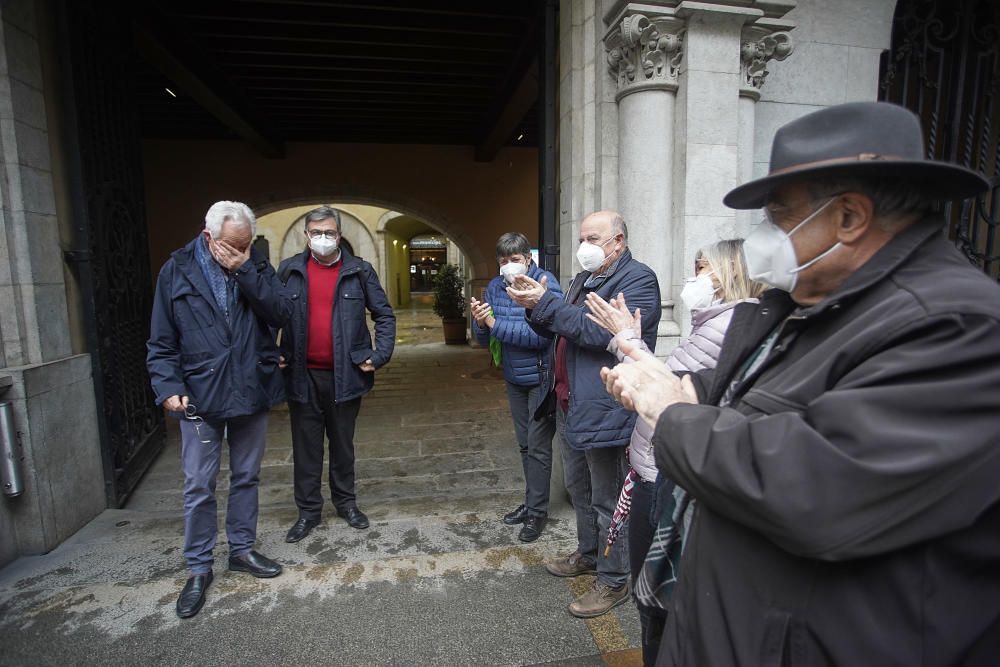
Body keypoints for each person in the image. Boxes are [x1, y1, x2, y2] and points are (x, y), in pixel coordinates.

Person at [601, 102, 1000, 665]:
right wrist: (683, 384)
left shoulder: (956, 326)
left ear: (849, 218)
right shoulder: (809, 302)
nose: (764, 237)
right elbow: (758, 393)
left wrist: (673, 413)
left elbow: (816, 486)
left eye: (778, 217)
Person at [585, 238, 763, 665]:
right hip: (655, 463)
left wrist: (627, 343)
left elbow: (677, 391)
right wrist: (626, 342)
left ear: (732, 274)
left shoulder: (730, 324)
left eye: (705, 268)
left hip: (665, 469)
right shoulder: (715, 320)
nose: (695, 277)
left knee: (658, 603)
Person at [507, 210, 661, 618]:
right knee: (580, 490)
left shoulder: (638, 280)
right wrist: (533, 306)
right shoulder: (584, 279)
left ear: (619, 242)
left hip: (606, 405)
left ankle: (614, 580)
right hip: (570, 400)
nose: (585, 247)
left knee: (609, 497)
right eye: (583, 238)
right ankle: (589, 553)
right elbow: (563, 328)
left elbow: (602, 333)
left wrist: (549, 305)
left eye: (594, 239)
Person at [147, 200, 291, 619]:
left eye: (246, 245)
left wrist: (246, 268)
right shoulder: (176, 270)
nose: (239, 251)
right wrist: (168, 386)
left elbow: (281, 312)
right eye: (231, 246)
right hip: (199, 393)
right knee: (198, 485)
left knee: (247, 476)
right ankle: (198, 567)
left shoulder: (255, 264)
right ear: (208, 237)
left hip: (251, 387)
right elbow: (160, 339)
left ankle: (242, 550)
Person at [278, 206, 395, 542]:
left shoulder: (359, 271)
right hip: (302, 376)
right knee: (306, 447)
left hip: (346, 375)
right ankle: (308, 513)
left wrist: (380, 354)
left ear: (339, 234)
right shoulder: (289, 271)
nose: (323, 239)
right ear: (306, 236)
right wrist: (270, 352)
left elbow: (384, 315)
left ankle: (346, 503)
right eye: (316, 233)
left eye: (329, 232)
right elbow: (266, 314)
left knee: (342, 445)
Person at [470, 233, 563, 542]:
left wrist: (496, 326)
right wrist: (481, 324)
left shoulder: (545, 284)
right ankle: (531, 502)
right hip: (514, 377)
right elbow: (487, 341)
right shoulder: (496, 287)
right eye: (503, 261)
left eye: (515, 260)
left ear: (528, 258)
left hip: (541, 377)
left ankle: (537, 513)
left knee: (537, 446)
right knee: (524, 445)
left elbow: (541, 337)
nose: (509, 266)